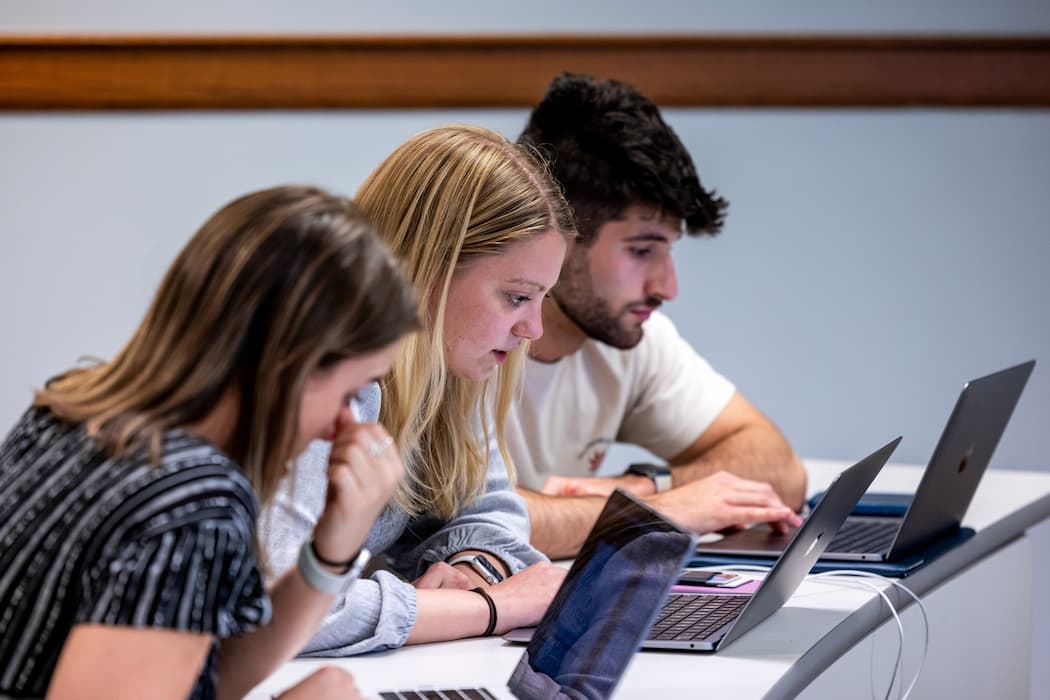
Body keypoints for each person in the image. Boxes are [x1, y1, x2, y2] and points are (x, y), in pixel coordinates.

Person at [0, 185, 420, 700]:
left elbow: (191, 674)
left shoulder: (68, 410)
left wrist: (332, 550)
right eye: (350, 393)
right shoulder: (194, 501)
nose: (344, 426)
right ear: (290, 366)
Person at [263, 125, 574, 656]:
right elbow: (277, 603)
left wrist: (474, 567)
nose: (534, 331)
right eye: (518, 297)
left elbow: (492, 507)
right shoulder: (317, 374)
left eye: (541, 297)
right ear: (429, 269)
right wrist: (491, 607)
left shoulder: (450, 363)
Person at [508, 73, 809, 558]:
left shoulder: (631, 337)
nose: (667, 287)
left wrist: (647, 489)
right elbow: (478, 523)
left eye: (666, 251)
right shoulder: (464, 339)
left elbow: (781, 469)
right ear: (556, 233)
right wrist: (664, 511)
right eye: (642, 250)